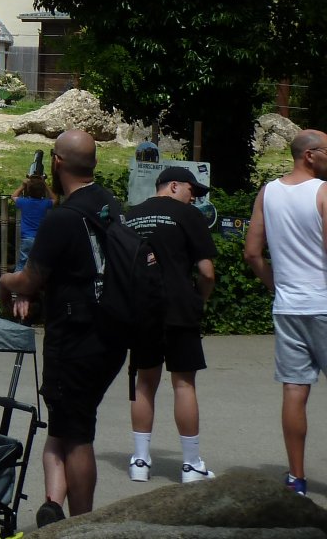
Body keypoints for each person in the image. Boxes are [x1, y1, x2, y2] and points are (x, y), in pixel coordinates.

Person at [0, 129, 128, 524]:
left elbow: (29, 280)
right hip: (113, 335)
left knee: (77, 436)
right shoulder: (111, 205)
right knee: (65, 423)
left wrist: (5, 281)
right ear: (94, 163)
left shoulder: (62, 219)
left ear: (56, 162)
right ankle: (53, 505)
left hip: (75, 338)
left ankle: (80, 525)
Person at [245, 128, 327, 496]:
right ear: (310, 154)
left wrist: (277, 287)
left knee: (294, 390)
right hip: (323, 303)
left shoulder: (268, 193)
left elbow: (252, 253)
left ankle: (296, 479)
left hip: (288, 307)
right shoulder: (323, 193)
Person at [122, 166, 217, 484]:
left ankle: (139, 461)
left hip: (142, 309)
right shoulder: (189, 216)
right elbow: (207, 272)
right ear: (174, 186)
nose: (194, 199)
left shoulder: (131, 216)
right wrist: (199, 300)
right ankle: (191, 465)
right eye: (192, 191)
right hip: (179, 307)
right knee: (184, 384)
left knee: (144, 383)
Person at [11, 151, 54, 272]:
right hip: (40, 238)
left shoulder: (24, 202)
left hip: (26, 238)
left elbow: (13, 196)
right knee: (39, 264)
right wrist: (45, 184)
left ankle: (17, 281)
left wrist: (23, 185)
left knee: (22, 263)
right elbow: (55, 199)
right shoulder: (44, 204)